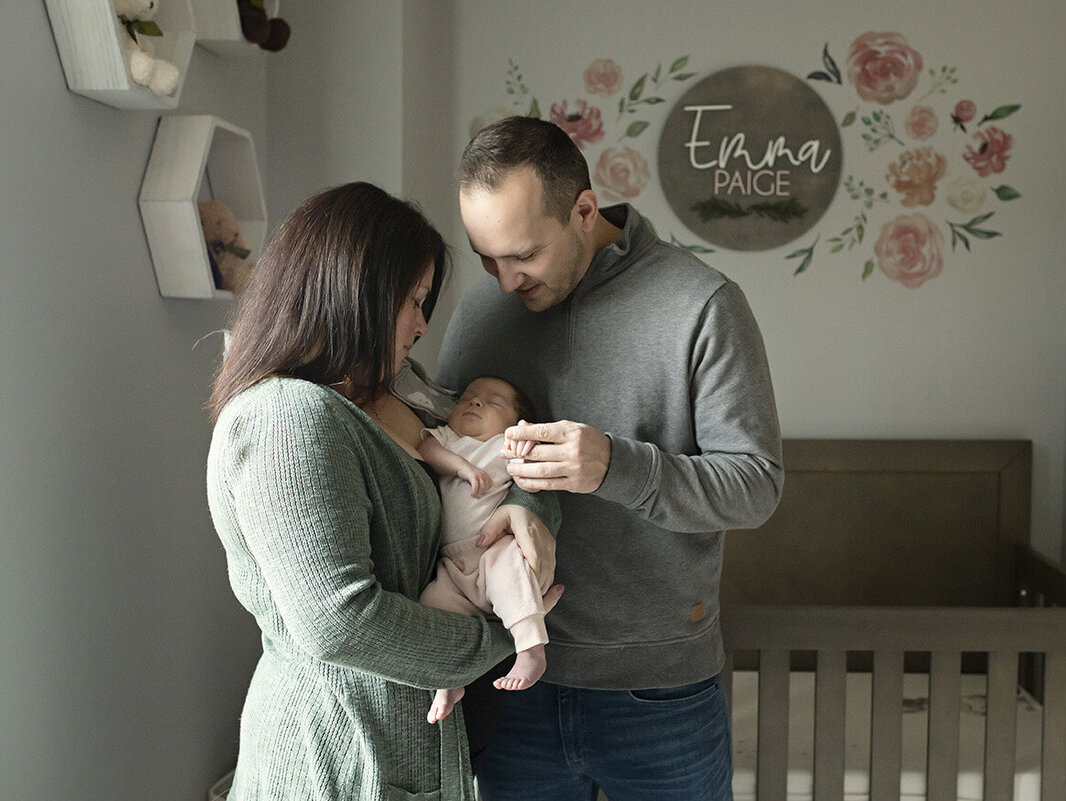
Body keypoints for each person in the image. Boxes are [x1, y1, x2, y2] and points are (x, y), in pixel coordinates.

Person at [438, 116, 785, 801]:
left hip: (658, 692)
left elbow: (757, 484)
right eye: (486, 259)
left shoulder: (702, 305)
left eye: (524, 256)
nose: (504, 283)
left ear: (585, 211)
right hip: (507, 685)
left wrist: (615, 467)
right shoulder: (483, 312)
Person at [206, 181, 562, 801]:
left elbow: (499, 451)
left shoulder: (392, 393)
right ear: (356, 292)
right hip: (340, 753)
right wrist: (505, 635)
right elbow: (339, 622)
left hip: (406, 742)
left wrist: (524, 512)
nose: (424, 325)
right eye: (414, 301)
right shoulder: (288, 418)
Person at [419, 375, 548, 725]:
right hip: (452, 564)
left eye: (493, 402)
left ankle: (531, 648)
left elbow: (537, 475)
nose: (475, 402)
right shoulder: (446, 440)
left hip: (491, 548)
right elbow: (425, 449)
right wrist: (462, 466)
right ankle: (450, 681)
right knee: (431, 608)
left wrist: (526, 451)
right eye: (468, 397)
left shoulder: (503, 446)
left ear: (516, 424)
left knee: (510, 569)